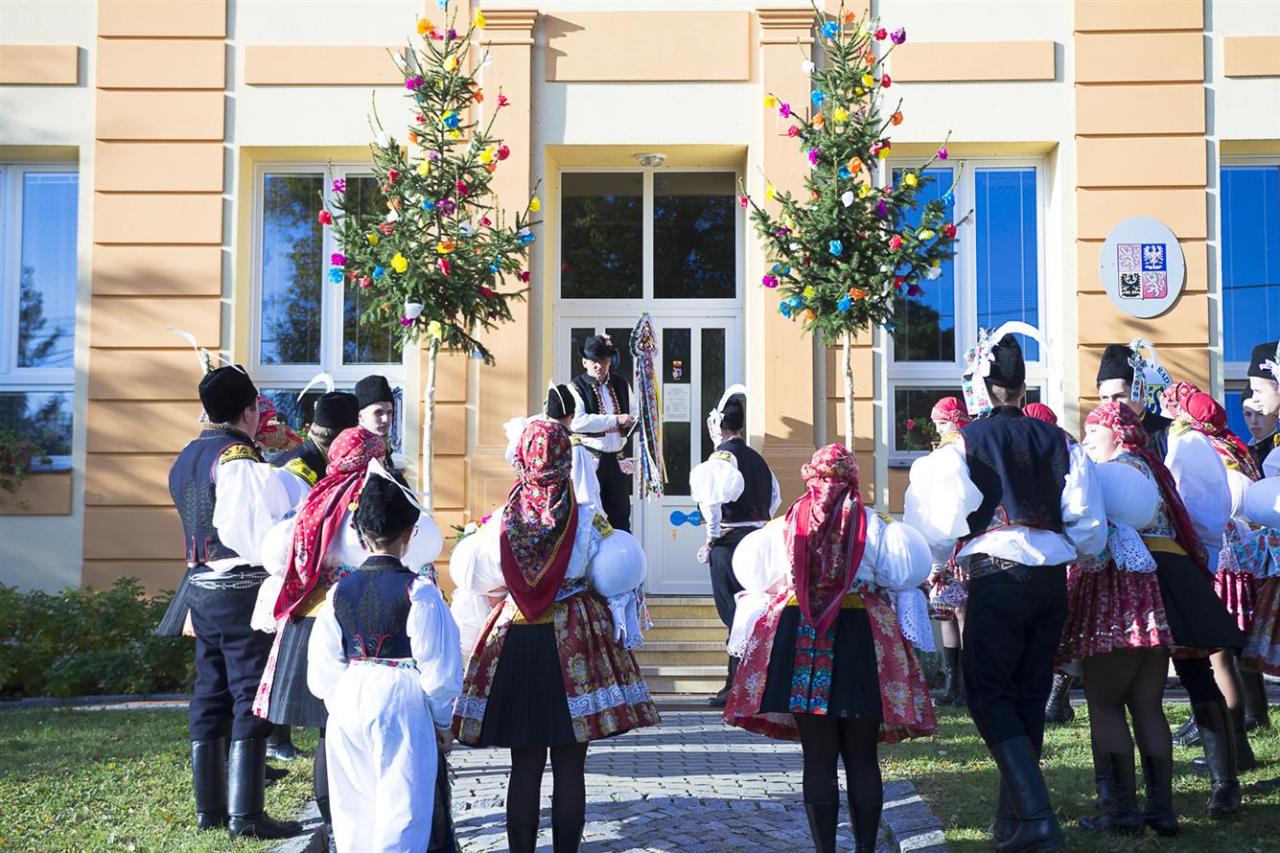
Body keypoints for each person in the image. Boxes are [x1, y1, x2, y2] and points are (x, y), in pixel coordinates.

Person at [905, 332, 1107, 852]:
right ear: (1022, 388)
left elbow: (940, 522)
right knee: (1028, 693)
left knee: (987, 693)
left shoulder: (965, 443)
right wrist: (1067, 547)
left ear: (983, 388)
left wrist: (934, 563)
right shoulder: (1062, 441)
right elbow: (1088, 524)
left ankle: (1037, 818)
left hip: (996, 576)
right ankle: (1011, 819)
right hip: (1050, 579)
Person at [451, 418, 659, 853]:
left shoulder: (501, 522)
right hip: (575, 638)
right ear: (567, 461)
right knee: (570, 763)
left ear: (521, 461)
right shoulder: (587, 521)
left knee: (524, 763)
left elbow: (482, 580)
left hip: (516, 637)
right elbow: (612, 575)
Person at [724, 444, 935, 853]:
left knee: (818, 755)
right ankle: (865, 849)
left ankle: (825, 850)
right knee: (862, 753)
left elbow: (759, 578)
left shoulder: (783, 526)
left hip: (801, 632)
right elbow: (900, 575)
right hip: (862, 633)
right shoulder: (877, 525)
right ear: (853, 478)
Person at [255, 428, 443, 832]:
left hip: (319, 620)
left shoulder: (316, 500)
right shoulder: (379, 501)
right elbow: (427, 543)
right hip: (379, 617)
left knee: (333, 732)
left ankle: (337, 825)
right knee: (386, 744)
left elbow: (277, 553)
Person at [1059, 402, 1217, 836]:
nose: (1087, 440)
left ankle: (1122, 811)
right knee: (1147, 704)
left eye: (1094, 430)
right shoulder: (1152, 471)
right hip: (1155, 596)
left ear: (1117, 433)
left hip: (1120, 594)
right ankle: (1161, 810)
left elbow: (1084, 525)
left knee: (1103, 701)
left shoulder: (1112, 475)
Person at [168, 365, 302, 839]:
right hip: (240, 587)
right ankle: (246, 816)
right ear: (248, 412)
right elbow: (251, 535)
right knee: (250, 692)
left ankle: (209, 811)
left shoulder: (187, 455)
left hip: (199, 587)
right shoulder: (236, 458)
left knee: (210, 691)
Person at [307, 474, 462, 853]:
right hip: (401, 697)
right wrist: (443, 722)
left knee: (353, 808)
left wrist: (342, 699)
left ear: (361, 536)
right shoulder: (419, 591)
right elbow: (438, 668)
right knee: (403, 807)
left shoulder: (338, 592)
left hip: (349, 696)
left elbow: (323, 665)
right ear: (409, 534)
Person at [264, 390, 360, 761]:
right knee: (285, 664)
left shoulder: (314, 457)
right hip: (292, 576)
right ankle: (276, 738)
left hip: (307, 578)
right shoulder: (300, 470)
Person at [690, 391, 781, 709]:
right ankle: (747, 682)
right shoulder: (758, 458)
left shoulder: (722, 458)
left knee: (734, 614)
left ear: (718, 427)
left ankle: (738, 685)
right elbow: (774, 498)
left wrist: (712, 537)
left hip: (730, 544)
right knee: (753, 610)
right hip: (759, 540)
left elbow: (710, 503)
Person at [914, 397, 971, 707]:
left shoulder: (968, 449)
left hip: (963, 540)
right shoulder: (942, 452)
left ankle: (969, 681)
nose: (939, 429)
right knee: (945, 611)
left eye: (943, 422)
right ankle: (952, 683)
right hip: (943, 540)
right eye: (936, 424)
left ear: (957, 419)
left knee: (964, 611)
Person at [568, 334, 639, 532]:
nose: (599, 365)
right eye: (594, 361)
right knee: (592, 516)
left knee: (621, 515)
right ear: (585, 362)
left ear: (609, 361)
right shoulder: (576, 387)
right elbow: (578, 422)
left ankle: (622, 551)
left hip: (616, 460)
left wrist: (634, 421)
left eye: (603, 360)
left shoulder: (621, 384)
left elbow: (634, 412)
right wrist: (615, 420)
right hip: (591, 461)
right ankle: (593, 552)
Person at [504, 383, 603, 511]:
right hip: (554, 505)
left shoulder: (530, 429)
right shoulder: (568, 440)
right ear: (573, 415)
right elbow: (584, 487)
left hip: (524, 501)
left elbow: (514, 457)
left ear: (547, 413)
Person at [1244, 391, 1279, 476]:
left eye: (1261, 413)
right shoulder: (1242, 451)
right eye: (1248, 414)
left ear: (1276, 414)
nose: (1254, 421)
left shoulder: (1277, 450)